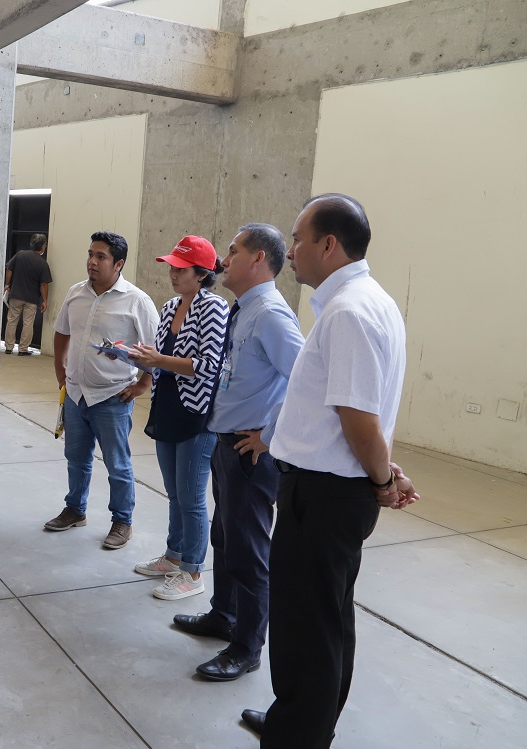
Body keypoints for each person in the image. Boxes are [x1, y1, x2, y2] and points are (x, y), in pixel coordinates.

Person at [241, 194, 419, 747]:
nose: (290, 249)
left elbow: (359, 418)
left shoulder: (348, 312)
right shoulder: (366, 302)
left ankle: (298, 735)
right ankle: (304, 723)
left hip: (322, 497)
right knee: (327, 621)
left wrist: (382, 480)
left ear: (329, 245)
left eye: (297, 239)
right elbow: (361, 415)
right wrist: (381, 470)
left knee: (305, 630)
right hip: (332, 490)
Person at [170, 224, 304, 683]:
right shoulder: (244, 309)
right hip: (226, 444)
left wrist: (270, 435)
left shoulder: (271, 315)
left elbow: (306, 381)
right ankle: (222, 616)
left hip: (251, 452)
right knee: (225, 539)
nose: (224, 260)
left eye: (232, 251)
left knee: (248, 552)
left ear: (258, 259)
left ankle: (246, 647)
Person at [45, 231, 159, 550]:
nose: (92, 262)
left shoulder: (137, 301)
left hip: (112, 397)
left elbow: (155, 348)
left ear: (118, 264)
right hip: (75, 394)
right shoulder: (75, 293)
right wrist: (61, 372)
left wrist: (143, 384)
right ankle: (75, 509)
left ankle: (122, 521)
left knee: (117, 464)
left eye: (101, 257)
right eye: (90, 254)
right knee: (76, 457)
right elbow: (61, 332)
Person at [128, 236, 227, 597]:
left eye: (181, 269)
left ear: (201, 274)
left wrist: (159, 360)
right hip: (167, 405)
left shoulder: (214, 307)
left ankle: (193, 572)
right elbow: (160, 357)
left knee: (191, 497)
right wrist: (133, 357)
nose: (172, 274)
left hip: (196, 412)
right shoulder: (170, 306)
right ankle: (174, 556)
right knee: (174, 492)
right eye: (171, 267)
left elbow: (209, 365)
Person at [3, 232, 52, 355]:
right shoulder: (42, 263)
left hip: (16, 295)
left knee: (11, 320)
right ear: (43, 246)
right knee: (28, 323)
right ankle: (23, 349)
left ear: (31, 244)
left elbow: (9, 269)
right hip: (31, 298)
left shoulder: (20, 255)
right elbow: (44, 284)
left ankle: (9, 347)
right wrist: (45, 300)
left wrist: (7, 285)